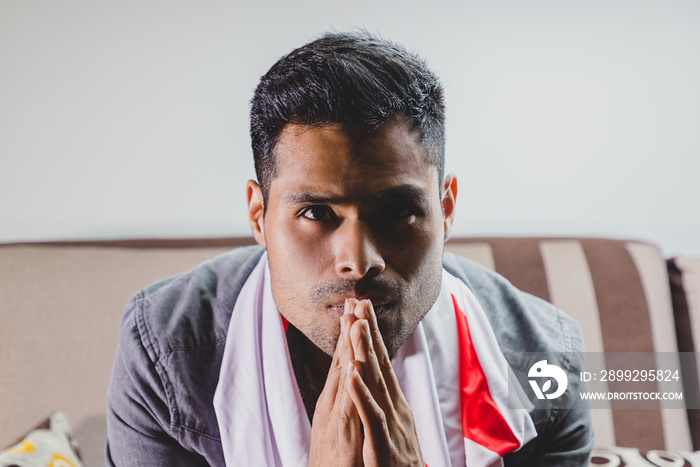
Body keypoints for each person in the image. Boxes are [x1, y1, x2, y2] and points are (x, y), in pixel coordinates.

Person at [106, 31, 593, 466]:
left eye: (398, 210)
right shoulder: (166, 349)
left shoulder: (545, 358)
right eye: (317, 213)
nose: (358, 261)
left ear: (445, 210)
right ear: (259, 215)